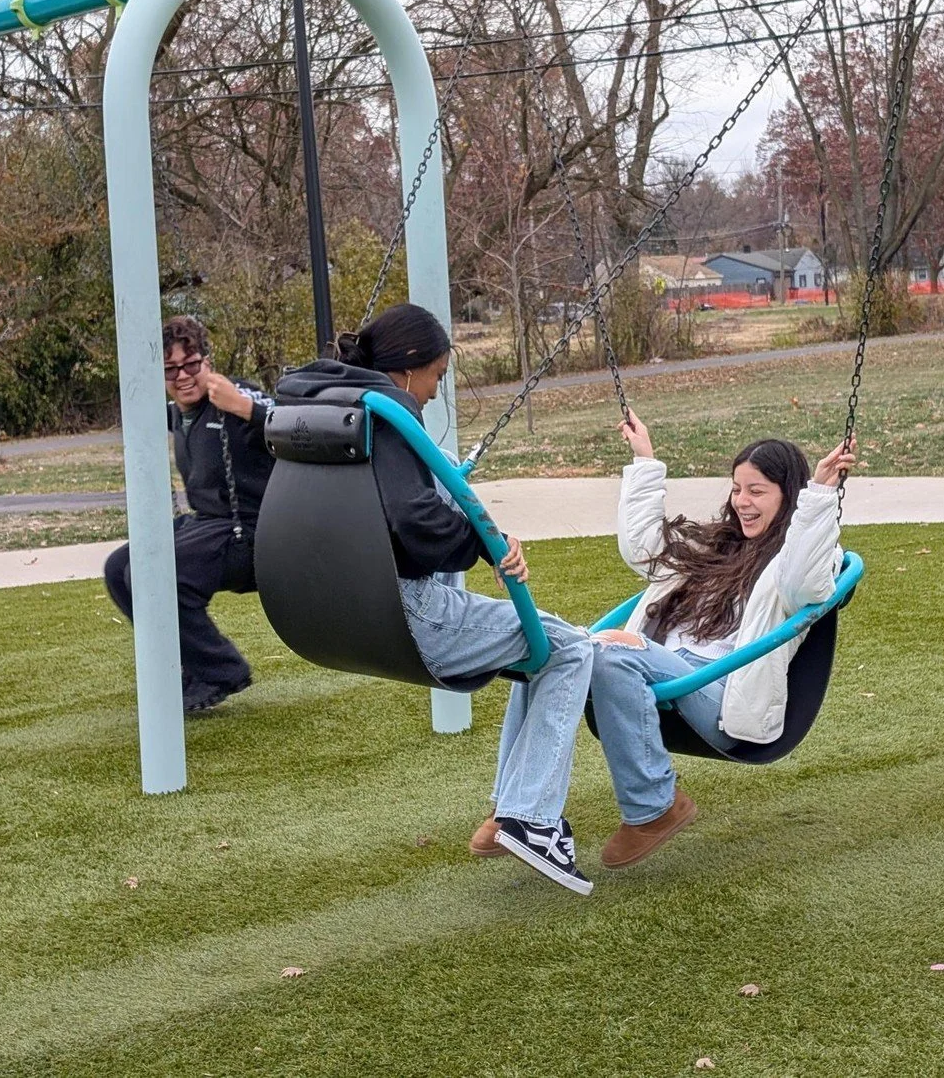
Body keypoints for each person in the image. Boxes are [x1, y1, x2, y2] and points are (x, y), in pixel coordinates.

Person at [276, 303, 598, 896]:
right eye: (436, 376)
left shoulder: (319, 406)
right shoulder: (392, 412)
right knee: (569, 648)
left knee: (536, 650)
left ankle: (512, 811)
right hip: (407, 612)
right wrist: (486, 541)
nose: (434, 392)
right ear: (406, 369)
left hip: (336, 605)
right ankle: (530, 817)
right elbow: (415, 519)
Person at [587, 411, 857, 869]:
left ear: (788, 495)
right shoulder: (716, 545)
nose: (742, 502)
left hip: (720, 695)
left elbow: (802, 581)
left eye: (756, 491)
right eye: (736, 489)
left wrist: (822, 494)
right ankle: (517, 812)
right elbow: (645, 552)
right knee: (555, 653)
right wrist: (645, 460)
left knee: (609, 648)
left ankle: (652, 808)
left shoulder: (801, 566)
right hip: (664, 670)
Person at [103, 315, 275, 712]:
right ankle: (193, 665)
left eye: (191, 364)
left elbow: (289, 420)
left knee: (161, 575)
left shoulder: (235, 397)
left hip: (250, 532)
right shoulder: (175, 414)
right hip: (206, 523)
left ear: (207, 362)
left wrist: (244, 406)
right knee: (119, 569)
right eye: (170, 369)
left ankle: (222, 669)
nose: (183, 376)